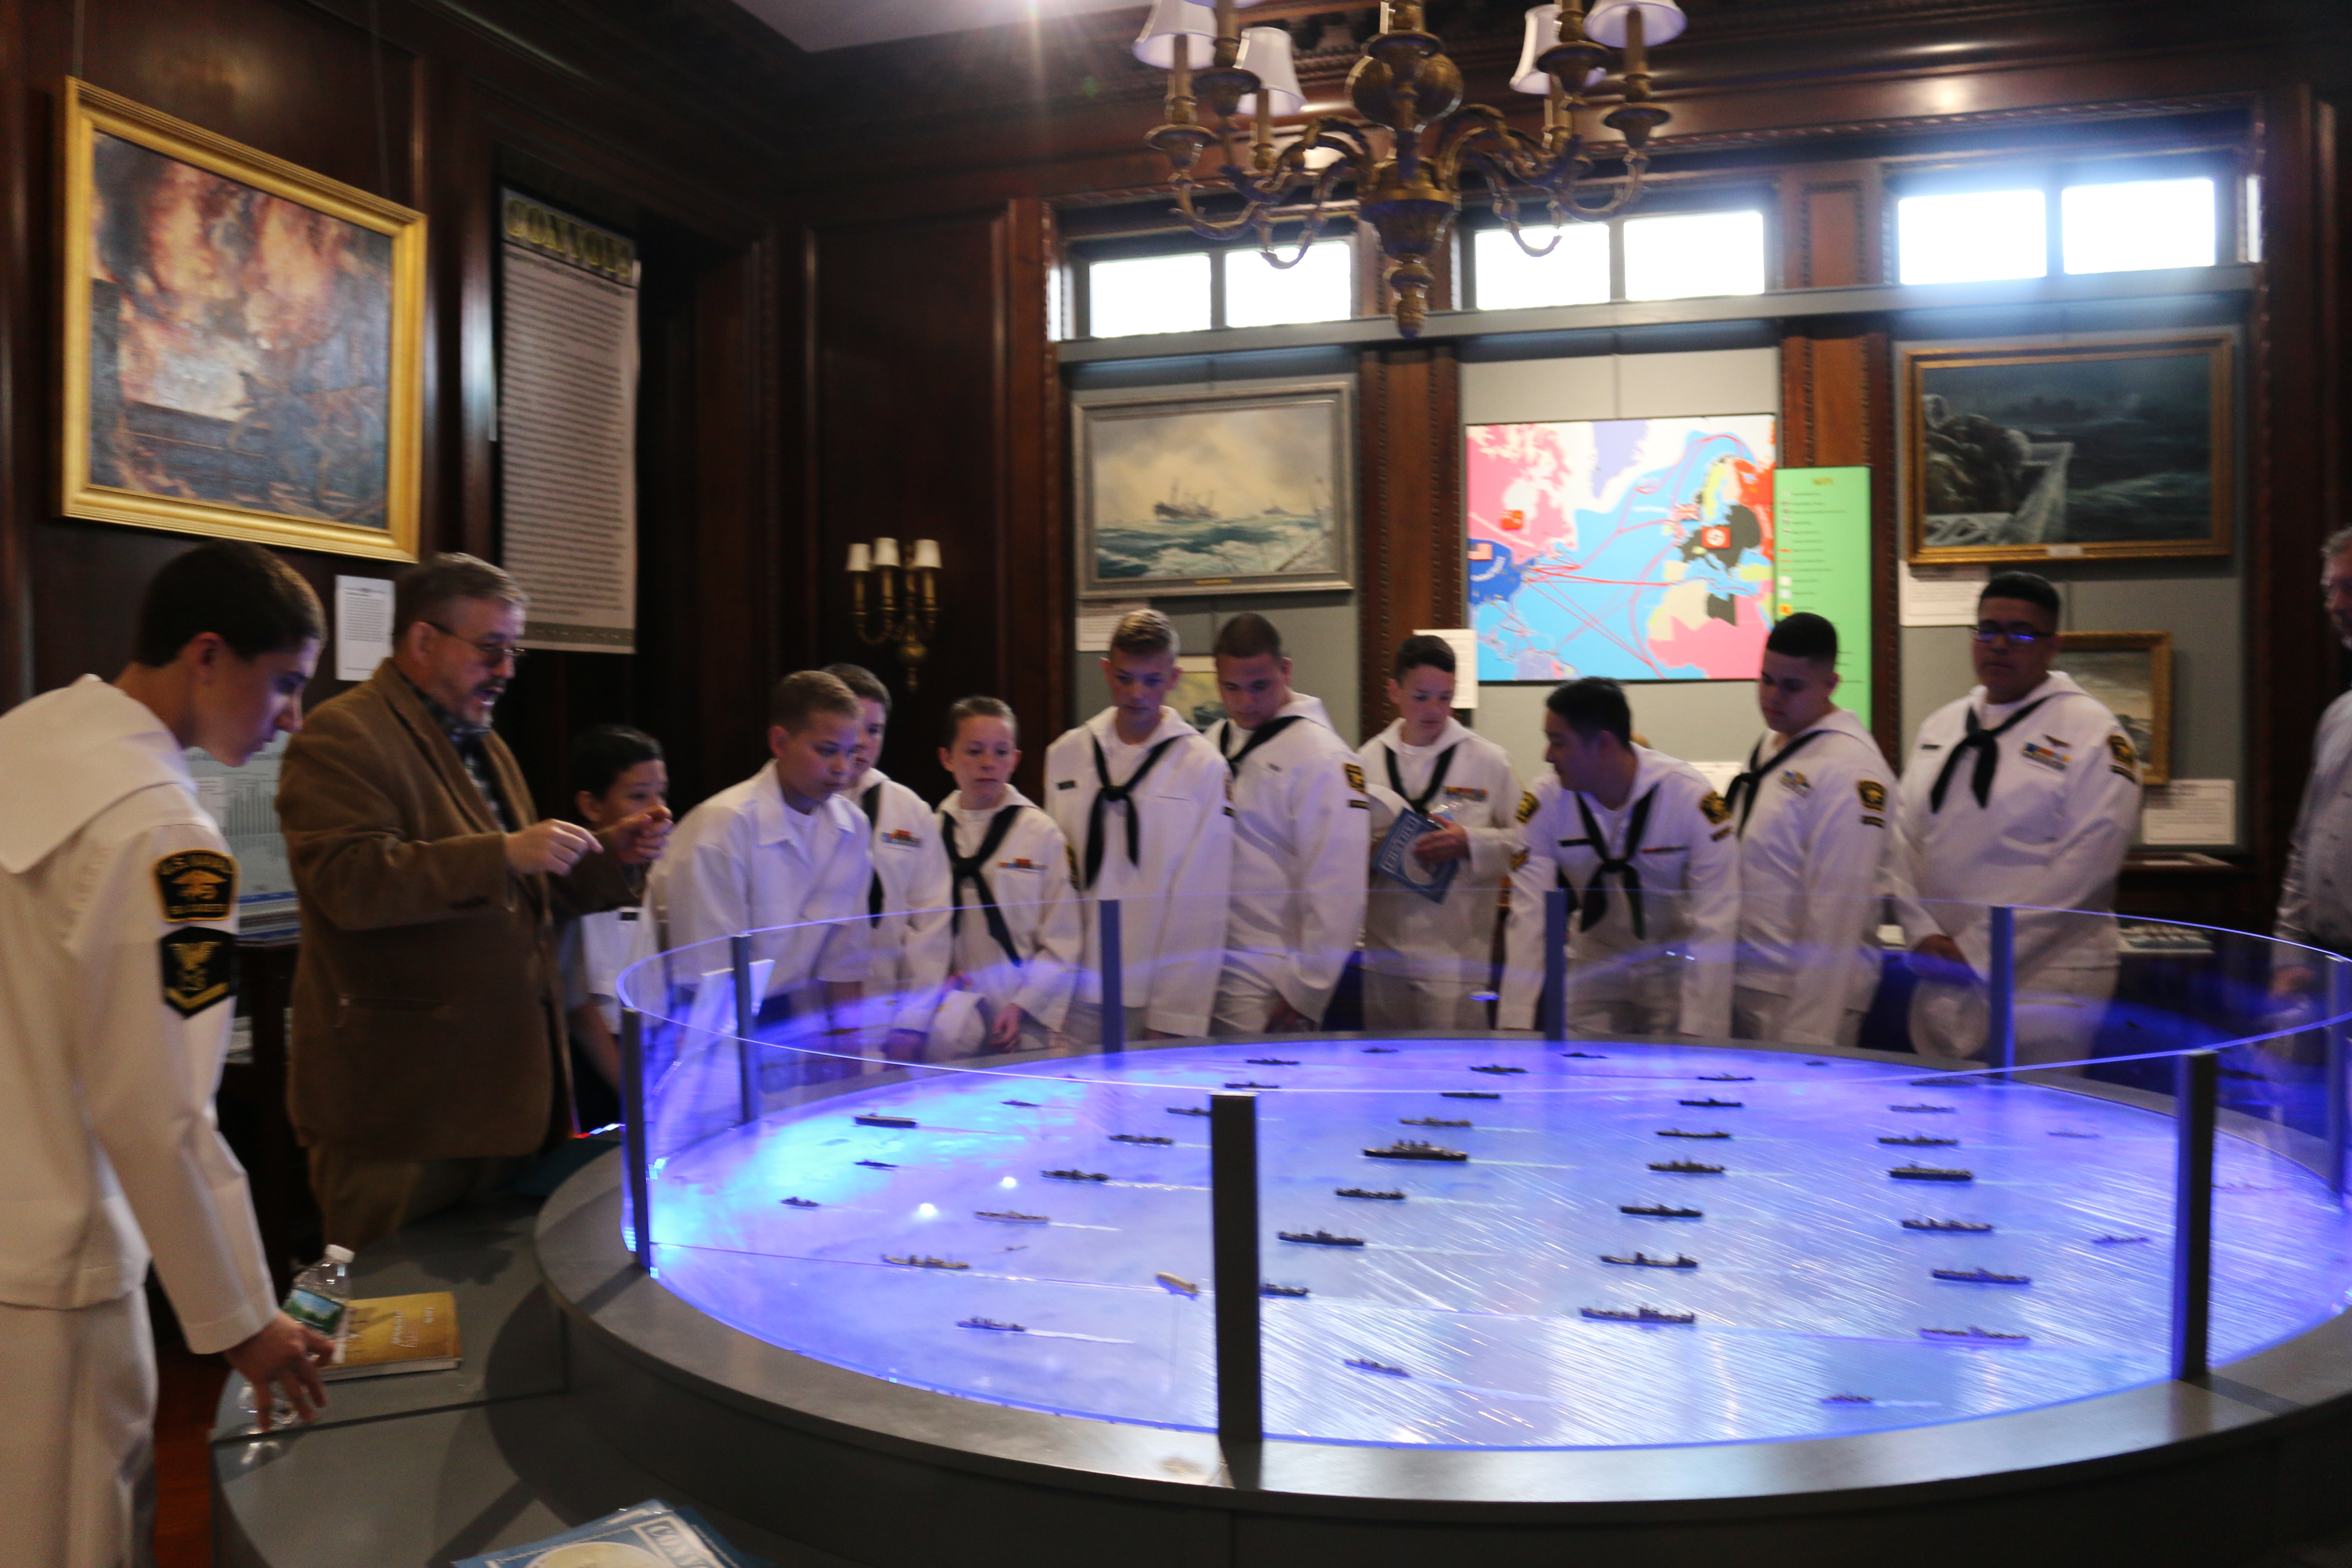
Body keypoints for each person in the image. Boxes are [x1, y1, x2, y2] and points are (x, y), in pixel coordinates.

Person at [0, 541, 335, 1565]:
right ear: (205, 655)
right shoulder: (164, 839)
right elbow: (159, 1112)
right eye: (282, 682)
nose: (290, 718)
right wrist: (244, 1317)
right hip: (58, 1259)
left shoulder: (26, 740)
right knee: (67, 1538)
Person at [279, 554, 667, 1254]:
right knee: (387, 1325)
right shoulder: (345, 735)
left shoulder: (483, 744)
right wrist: (503, 852)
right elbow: (350, 882)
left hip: (509, 1102)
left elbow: (519, 895)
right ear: (424, 641)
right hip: (407, 1112)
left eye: (512, 649)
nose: (507, 668)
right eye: (491, 648)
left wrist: (611, 855)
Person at [1888, 571, 2141, 1066]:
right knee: (1947, 1123)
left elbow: (2085, 869)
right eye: (1987, 630)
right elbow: (1902, 838)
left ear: (2054, 647)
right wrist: (1921, 933)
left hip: (2046, 977)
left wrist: (1982, 949)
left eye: (2020, 633)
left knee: (2035, 1129)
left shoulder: (2095, 736)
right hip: (1942, 973)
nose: (1999, 645)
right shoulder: (1940, 726)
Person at [647, 671, 872, 1061]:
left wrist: (848, 1057)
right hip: (705, 1025)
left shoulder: (852, 826)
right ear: (780, 742)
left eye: (851, 753)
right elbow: (709, 977)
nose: (842, 768)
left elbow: (844, 958)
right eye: (827, 750)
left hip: (794, 1018)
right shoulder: (722, 825)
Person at [1500, 677, 1739, 1037]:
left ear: (1603, 745)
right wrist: (1513, 1030)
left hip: (1670, 964)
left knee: (1667, 1078)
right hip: (1595, 962)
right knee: (1583, 1076)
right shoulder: (1546, 804)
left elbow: (1717, 920)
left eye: (1559, 742)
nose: (1547, 756)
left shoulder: (1688, 799)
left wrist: (1701, 1033)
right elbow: (1528, 919)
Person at [1044, 609, 1233, 1041]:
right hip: (1074, 984)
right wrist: (1048, 991)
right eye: (1125, 678)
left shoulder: (1203, 767)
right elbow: (1055, 878)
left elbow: (1202, 898)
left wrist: (1174, 1015)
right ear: (1106, 671)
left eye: (1151, 680)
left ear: (1173, 678)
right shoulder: (1066, 754)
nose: (1136, 694)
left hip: (1152, 987)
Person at [1726, 613, 1895, 1050]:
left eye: (1791, 686)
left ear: (1830, 684)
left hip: (1804, 999)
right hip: (1751, 980)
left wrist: (1808, 1040)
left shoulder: (1850, 769)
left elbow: (1836, 916)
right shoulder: (1773, 744)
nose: (1773, 697)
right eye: (1765, 680)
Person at [1198, 613, 1369, 1033]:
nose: (1245, 703)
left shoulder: (1324, 758)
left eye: (1260, 686)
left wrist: (1307, 990)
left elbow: (1339, 888)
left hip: (1271, 978)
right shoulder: (1211, 743)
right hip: (1203, 965)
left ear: (1286, 670)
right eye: (1231, 688)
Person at [1355, 635, 1522, 1032]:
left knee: (1452, 1071)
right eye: (1422, 697)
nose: (1435, 710)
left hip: (1457, 952)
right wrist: (1369, 850)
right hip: (1385, 948)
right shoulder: (1365, 762)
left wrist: (1472, 843)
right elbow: (1336, 849)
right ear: (1394, 691)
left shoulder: (1488, 761)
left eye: (1445, 698)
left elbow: (1529, 844)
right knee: (1386, 1069)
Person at [934, 696, 1081, 1053]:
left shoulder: (1041, 834)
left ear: (1014, 760)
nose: (988, 764)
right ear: (947, 758)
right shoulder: (932, 832)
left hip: (1024, 1016)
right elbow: (918, 925)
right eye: (974, 751)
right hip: (951, 1010)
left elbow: (1063, 938)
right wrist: (936, 977)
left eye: (1001, 752)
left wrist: (1023, 1005)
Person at [825, 663, 952, 1062]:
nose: (862, 741)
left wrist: (912, 1022)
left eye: (875, 730)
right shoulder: (802, 804)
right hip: (809, 1015)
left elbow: (930, 920)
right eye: (854, 725)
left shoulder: (908, 809)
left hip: (887, 1010)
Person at [560, 723, 667, 1124]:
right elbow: (579, 1008)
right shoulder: (570, 882)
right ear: (591, 806)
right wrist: (634, 1094)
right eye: (639, 796)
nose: (658, 810)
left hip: (653, 1052)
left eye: (661, 793)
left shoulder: (660, 869)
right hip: (601, 1066)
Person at [2272, 528, 2352, 1000]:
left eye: (2351, 587)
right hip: (2328, 968)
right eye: (2330, 589)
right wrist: (2288, 956)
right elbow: (2305, 846)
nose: (2336, 605)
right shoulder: (2339, 717)